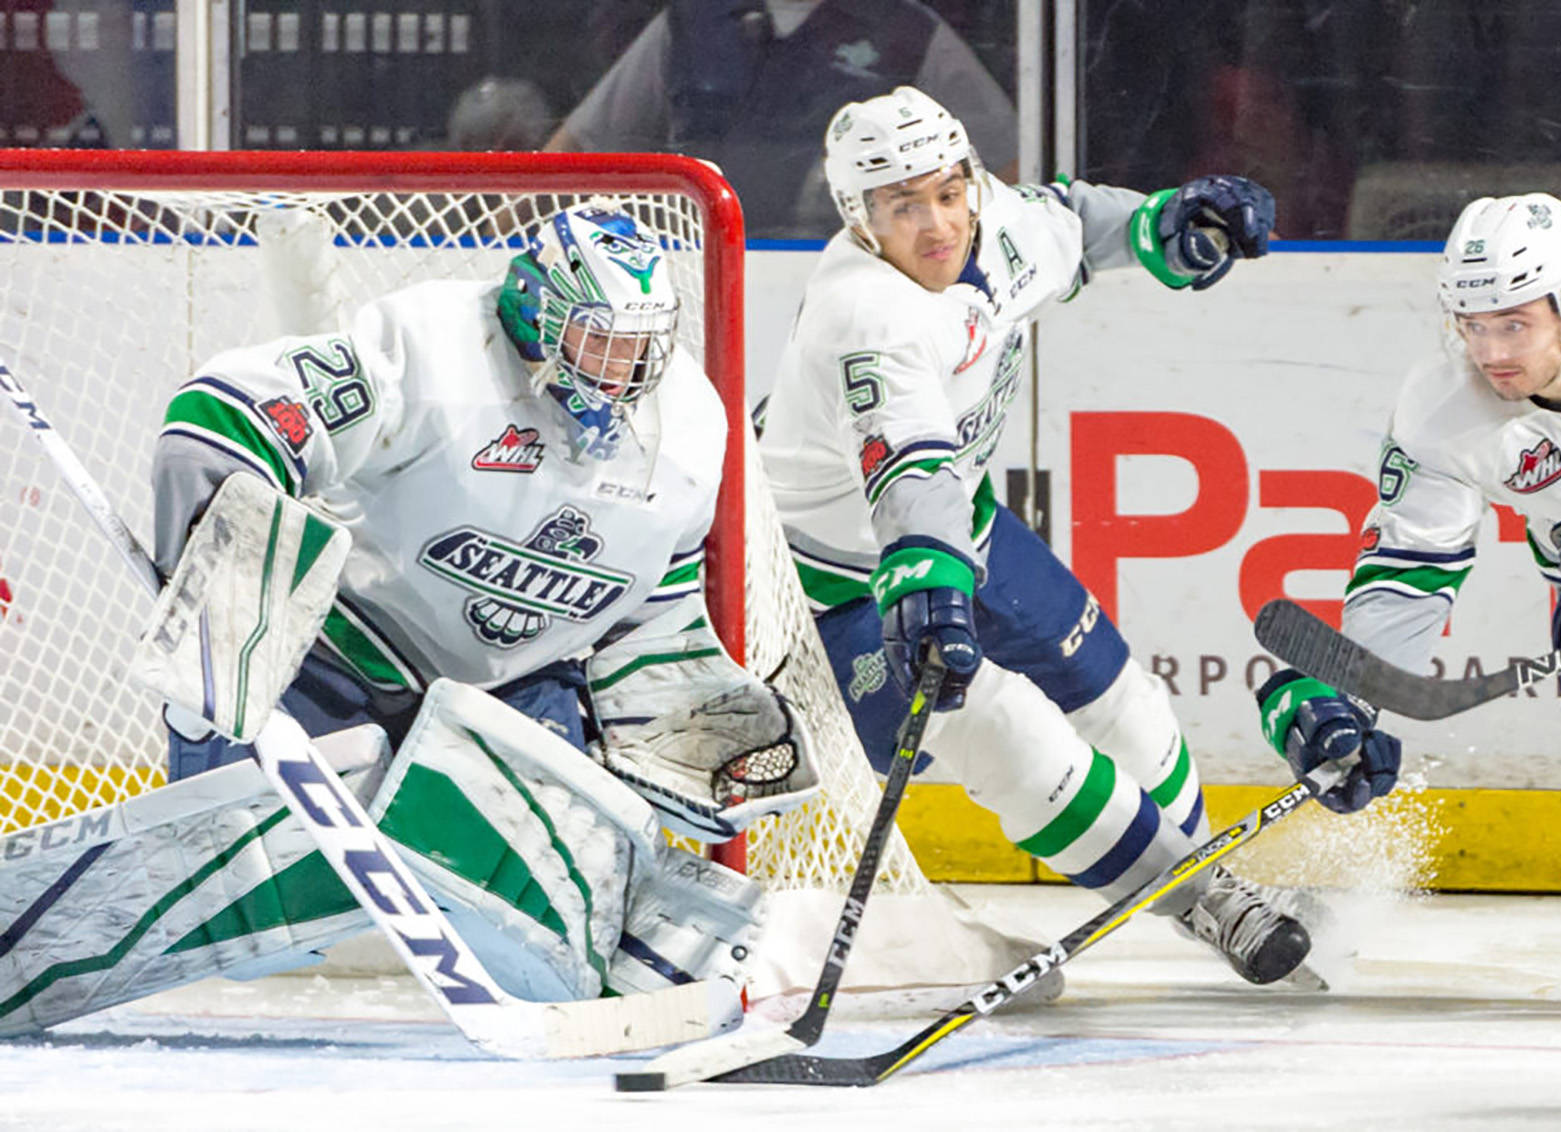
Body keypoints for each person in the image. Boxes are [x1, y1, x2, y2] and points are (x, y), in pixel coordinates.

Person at [0, 201, 818, 1036]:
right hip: (333, 666)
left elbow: (654, 602)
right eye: (600, 340)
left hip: (515, 700)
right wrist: (224, 570)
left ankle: (659, 964)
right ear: (539, 309)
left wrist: (677, 699)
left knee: (575, 948)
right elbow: (220, 414)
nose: (622, 371)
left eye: (641, 345)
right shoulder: (434, 347)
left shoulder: (690, 424)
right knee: (237, 875)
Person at [758, 85, 1315, 986]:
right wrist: (927, 584)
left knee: (1119, 698)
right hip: (825, 585)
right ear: (860, 221)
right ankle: (1199, 899)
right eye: (903, 207)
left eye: (947, 191)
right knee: (1005, 730)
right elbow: (912, 470)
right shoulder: (863, 316)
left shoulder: (995, 224)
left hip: (956, 530)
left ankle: (1209, 878)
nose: (938, 224)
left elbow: (1076, 224)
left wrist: (1177, 223)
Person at [1255, 192, 1561, 866]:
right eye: (1473, 324)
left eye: (1514, 324)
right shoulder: (1441, 410)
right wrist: (1346, 692)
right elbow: (1409, 570)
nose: (1490, 351)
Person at [545, 0, 1017, 240]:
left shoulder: (907, 31)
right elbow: (573, 152)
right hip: (696, 275)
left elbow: (1010, 165)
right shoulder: (693, 22)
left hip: (850, 275)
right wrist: (480, 239)